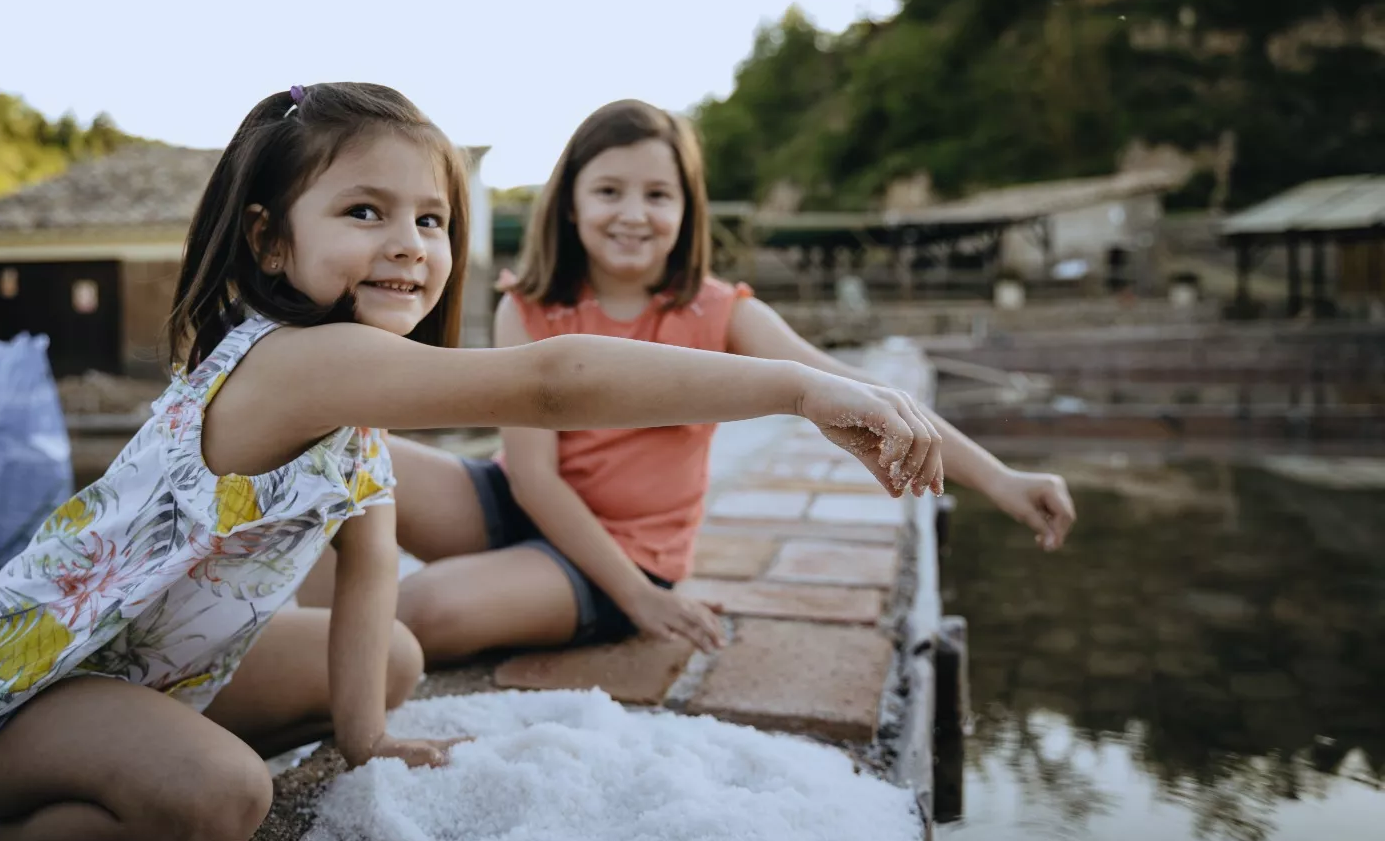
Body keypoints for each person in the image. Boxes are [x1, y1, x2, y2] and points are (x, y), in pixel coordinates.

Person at [0, 84, 943, 841]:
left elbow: (369, 567)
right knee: (223, 801)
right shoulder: (295, 362)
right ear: (269, 240)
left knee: (393, 659)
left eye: (431, 219)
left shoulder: (355, 409)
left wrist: (365, 741)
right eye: (364, 212)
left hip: (144, 672)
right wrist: (797, 390)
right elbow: (549, 382)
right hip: (14, 692)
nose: (409, 244)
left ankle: (153, 753)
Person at [350, 99, 1076, 663]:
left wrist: (1001, 477)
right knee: (349, 458)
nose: (633, 214)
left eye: (657, 195)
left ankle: (343, 661)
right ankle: (303, 634)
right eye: (609, 190)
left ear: (686, 209)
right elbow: (534, 480)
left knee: (424, 610)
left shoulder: (718, 310)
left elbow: (859, 389)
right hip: (516, 501)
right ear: (570, 202)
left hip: (629, 558)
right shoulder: (530, 305)